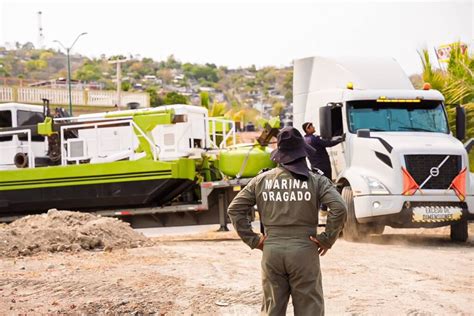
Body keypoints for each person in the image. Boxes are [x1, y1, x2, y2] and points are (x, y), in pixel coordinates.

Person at [227, 127, 347, 316]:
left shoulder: (261, 180)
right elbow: (339, 207)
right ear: (302, 153)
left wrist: (254, 239)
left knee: (272, 309)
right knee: (310, 309)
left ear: (280, 155)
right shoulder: (316, 180)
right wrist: (327, 239)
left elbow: (234, 209)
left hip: (272, 250)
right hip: (305, 249)